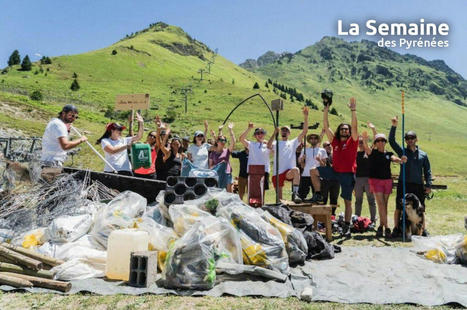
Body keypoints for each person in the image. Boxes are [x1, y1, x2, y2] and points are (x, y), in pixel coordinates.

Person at [389, 116, 432, 238]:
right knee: (399, 206)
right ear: (406, 140)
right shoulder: (402, 152)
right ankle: (396, 228)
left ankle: (424, 229)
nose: (410, 140)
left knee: (421, 208)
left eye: (412, 138)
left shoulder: (423, 155)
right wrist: (394, 126)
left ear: (416, 139)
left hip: (418, 185)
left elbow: (427, 170)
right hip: (404, 183)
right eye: (407, 138)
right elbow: (391, 141)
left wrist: (428, 185)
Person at [322, 97, 359, 237]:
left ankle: (347, 226)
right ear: (339, 131)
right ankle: (318, 195)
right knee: (315, 172)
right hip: (334, 172)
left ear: (349, 132)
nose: (344, 131)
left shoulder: (353, 142)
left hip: (348, 174)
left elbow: (355, 127)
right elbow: (326, 126)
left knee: (347, 201)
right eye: (342, 129)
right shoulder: (335, 142)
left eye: (346, 129)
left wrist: (353, 111)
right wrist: (326, 109)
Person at [362, 131, 405, 238]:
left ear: (385, 142)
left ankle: (381, 226)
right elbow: (366, 148)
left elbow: (394, 159)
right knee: (381, 204)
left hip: (387, 181)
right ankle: (387, 227)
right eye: (378, 141)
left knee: (384, 205)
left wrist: (401, 160)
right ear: (375, 143)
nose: (380, 142)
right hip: (376, 180)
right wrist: (364, 139)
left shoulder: (389, 154)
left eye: (382, 140)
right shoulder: (373, 153)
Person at [269, 107, 309, 203]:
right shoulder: (276, 142)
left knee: (296, 170)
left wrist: (306, 117)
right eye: (283, 130)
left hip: (288, 171)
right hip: (277, 172)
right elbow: (268, 146)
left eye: (286, 131)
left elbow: (304, 132)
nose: (284, 132)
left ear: (289, 133)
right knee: (279, 200)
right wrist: (274, 133)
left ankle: (295, 194)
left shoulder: (293, 142)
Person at [239, 123, 275, 195]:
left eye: (262, 133)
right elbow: (241, 139)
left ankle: (262, 204)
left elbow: (273, 151)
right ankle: (251, 204)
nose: (260, 135)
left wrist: (266, 142)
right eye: (257, 133)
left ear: (264, 135)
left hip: (264, 170)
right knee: (252, 189)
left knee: (262, 190)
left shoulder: (268, 145)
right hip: (253, 170)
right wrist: (249, 128)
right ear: (255, 136)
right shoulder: (251, 144)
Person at [354, 127, 377, 226]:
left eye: (362, 142)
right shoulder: (354, 154)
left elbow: (376, 141)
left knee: (371, 200)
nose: (360, 144)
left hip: (369, 179)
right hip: (358, 179)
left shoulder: (369, 151)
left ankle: (373, 220)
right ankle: (356, 219)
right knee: (358, 201)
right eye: (359, 142)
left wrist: (373, 129)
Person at [298, 133, 327, 202]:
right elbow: (302, 166)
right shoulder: (304, 150)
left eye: (315, 138)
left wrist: (319, 160)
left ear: (318, 140)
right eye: (311, 138)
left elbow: (324, 165)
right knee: (301, 196)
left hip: (317, 176)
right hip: (305, 175)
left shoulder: (322, 150)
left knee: (317, 198)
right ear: (309, 140)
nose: (313, 140)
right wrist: (302, 160)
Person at [209, 123, 236, 192]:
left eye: (225, 141)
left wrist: (230, 130)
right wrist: (219, 165)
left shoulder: (227, 151)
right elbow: (210, 167)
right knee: (218, 192)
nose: (223, 142)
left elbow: (233, 142)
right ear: (217, 142)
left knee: (228, 192)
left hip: (227, 173)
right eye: (221, 140)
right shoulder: (212, 154)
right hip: (217, 175)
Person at [318, 140, 340, 215]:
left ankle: (332, 215)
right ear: (323, 147)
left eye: (330, 145)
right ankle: (322, 215)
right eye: (327, 145)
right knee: (323, 198)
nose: (329, 146)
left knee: (334, 198)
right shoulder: (321, 155)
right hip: (325, 180)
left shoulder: (335, 155)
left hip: (335, 180)